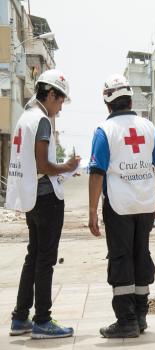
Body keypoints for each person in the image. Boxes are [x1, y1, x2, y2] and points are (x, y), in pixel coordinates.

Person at [88, 74, 155, 338]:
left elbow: (97, 173)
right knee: (141, 256)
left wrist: (91, 211)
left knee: (121, 260)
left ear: (107, 103)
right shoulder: (148, 127)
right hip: (146, 205)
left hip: (119, 207)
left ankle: (126, 320)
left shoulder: (105, 131)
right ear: (131, 99)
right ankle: (141, 317)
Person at [6, 70, 79, 339]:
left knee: (33, 256)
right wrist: (68, 166)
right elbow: (43, 165)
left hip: (30, 196)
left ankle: (20, 317)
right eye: (60, 102)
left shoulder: (24, 118)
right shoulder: (43, 121)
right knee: (45, 260)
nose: (59, 109)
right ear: (51, 95)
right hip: (47, 198)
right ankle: (42, 320)